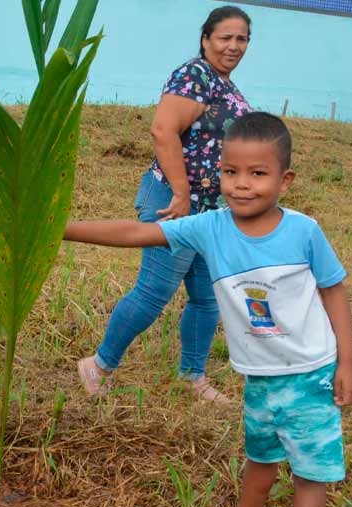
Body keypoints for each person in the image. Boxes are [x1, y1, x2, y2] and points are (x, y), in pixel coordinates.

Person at [64, 113, 352, 507]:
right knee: (260, 459)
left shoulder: (305, 232)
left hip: (310, 373)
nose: (242, 185)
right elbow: (138, 233)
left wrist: (347, 362)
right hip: (259, 378)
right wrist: (60, 228)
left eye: (258, 174)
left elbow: (334, 291)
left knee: (310, 475)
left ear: (285, 179)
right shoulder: (209, 227)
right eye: (230, 172)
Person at [76, 5, 253, 404]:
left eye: (242, 39)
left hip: (212, 212)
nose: (234, 46)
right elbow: (163, 129)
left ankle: (193, 376)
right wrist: (180, 193)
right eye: (225, 37)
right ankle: (98, 365)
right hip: (174, 202)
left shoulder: (226, 85)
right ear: (206, 39)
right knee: (153, 291)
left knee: (208, 297)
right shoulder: (194, 75)